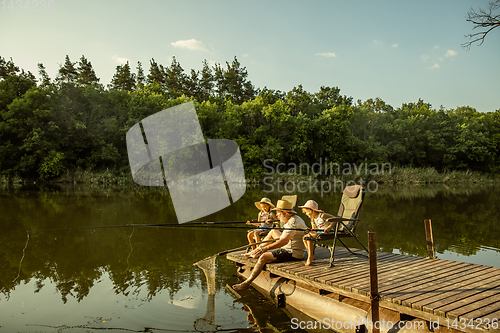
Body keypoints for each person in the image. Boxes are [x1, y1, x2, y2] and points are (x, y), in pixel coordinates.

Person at [233, 199, 307, 291]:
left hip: (292, 252)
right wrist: (263, 247)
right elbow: (284, 238)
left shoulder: (293, 222)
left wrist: (266, 248)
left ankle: (247, 282)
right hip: (289, 246)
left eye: (278, 212)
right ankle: (255, 251)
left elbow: (284, 241)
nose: (276, 215)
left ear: (285, 213)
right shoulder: (292, 219)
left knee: (263, 256)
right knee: (273, 231)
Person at [299, 200, 333, 266]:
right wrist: (310, 230)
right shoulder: (312, 219)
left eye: (307, 212)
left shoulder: (322, 215)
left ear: (313, 210)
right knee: (304, 238)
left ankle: (310, 257)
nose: (306, 214)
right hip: (319, 232)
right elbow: (314, 230)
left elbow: (334, 218)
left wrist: (329, 227)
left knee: (308, 237)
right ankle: (310, 255)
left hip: (327, 232)